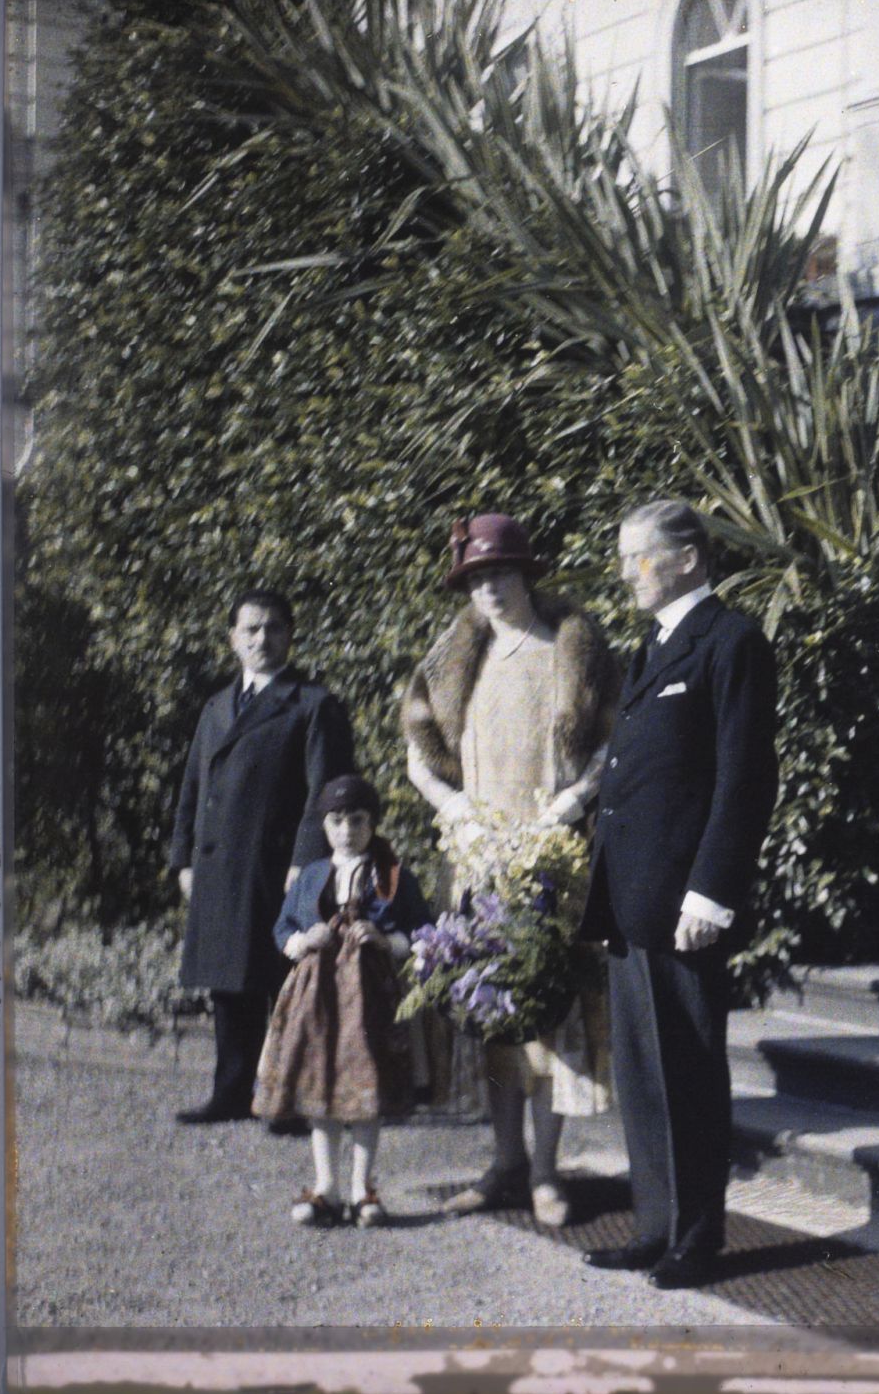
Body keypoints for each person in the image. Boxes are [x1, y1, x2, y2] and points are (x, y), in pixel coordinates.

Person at [579, 500, 778, 1291]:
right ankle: (657, 1224)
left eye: (640, 555)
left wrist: (712, 890)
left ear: (690, 558)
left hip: (683, 903)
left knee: (688, 1073)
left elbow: (745, 776)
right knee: (641, 1072)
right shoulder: (653, 644)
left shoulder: (731, 642)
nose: (628, 571)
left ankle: (696, 1237)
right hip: (631, 900)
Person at [402, 513, 621, 1228]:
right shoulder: (450, 662)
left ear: (527, 574)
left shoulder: (571, 652)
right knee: (490, 1014)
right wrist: (457, 809)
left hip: (551, 858)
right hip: (478, 860)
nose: (489, 589)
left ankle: (548, 1172)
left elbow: (605, 751)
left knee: (548, 1013)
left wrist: (567, 808)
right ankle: (504, 1163)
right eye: (475, 578)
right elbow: (418, 753)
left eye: (499, 574)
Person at [169, 589, 354, 1131]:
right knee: (229, 979)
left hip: (278, 865)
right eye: (250, 629)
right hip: (218, 864)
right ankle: (231, 1091)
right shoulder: (216, 706)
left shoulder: (313, 704)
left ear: (289, 636)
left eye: (273, 628)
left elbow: (327, 791)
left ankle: (292, 1097)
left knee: (286, 981)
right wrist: (182, 856)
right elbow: (192, 787)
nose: (261, 639)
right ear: (232, 638)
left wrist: (307, 861)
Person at [253, 774, 431, 1228]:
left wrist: (386, 938)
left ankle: (362, 1188)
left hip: (370, 997)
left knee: (365, 1086)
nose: (347, 830)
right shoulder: (311, 875)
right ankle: (326, 1186)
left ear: (372, 824)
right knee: (320, 1082)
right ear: (324, 826)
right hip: (316, 997)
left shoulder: (391, 875)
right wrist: (302, 940)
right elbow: (281, 929)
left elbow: (422, 930)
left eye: (357, 820)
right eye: (336, 821)